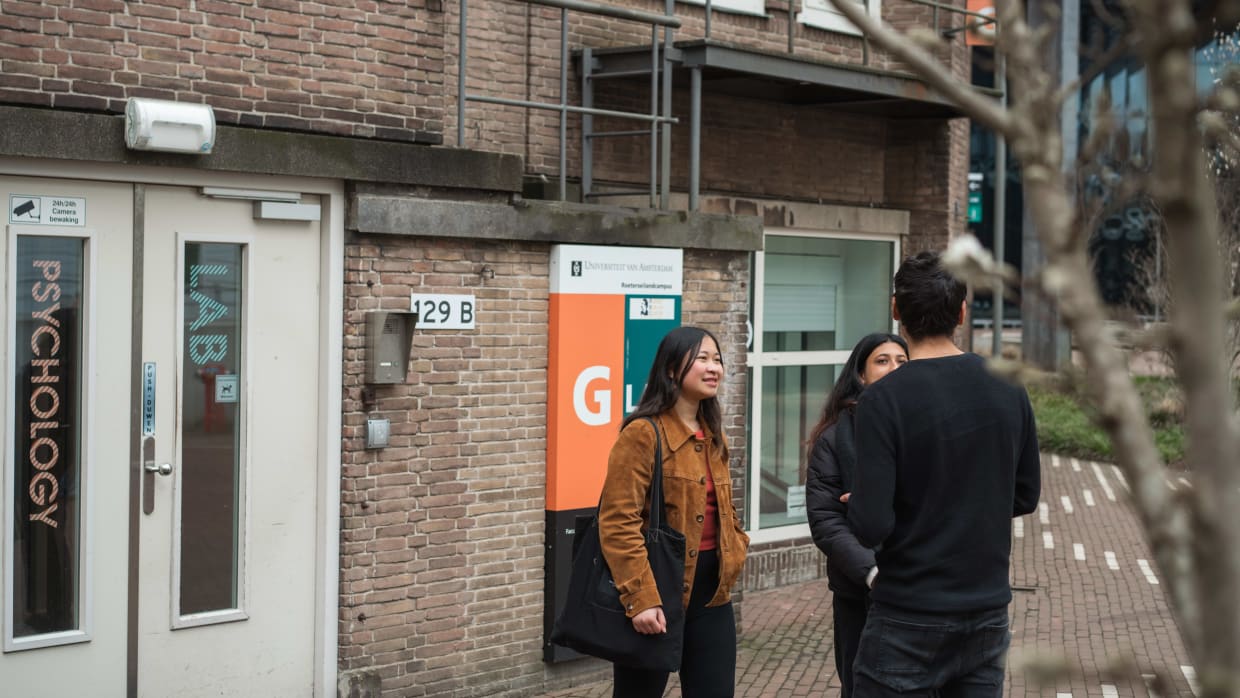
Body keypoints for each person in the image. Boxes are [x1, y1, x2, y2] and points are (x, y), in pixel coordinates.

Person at [848, 251, 1041, 697]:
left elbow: (871, 523)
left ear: (896, 311)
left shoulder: (884, 400)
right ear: (961, 311)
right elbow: (1026, 494)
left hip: (908, 614)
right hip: (986, 613)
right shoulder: (1008, 383)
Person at [598, 326, 751, 698]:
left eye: (717, 359)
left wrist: (738, 544)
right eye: (702, 358)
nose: (713, 367)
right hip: (659, 591)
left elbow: (724, 508)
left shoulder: (713, 433)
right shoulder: (642, 434)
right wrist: (641, 598)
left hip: (713, 595)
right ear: (670, 370)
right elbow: (618, 522)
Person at [805, 332, 909, 698]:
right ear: (861, 376)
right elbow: (826, 521)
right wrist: (872, 572)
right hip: (859, 594)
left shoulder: (927, 430)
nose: (894, 368)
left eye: (901, 361)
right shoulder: (834, 440)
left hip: (921, 589)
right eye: (882, 361)